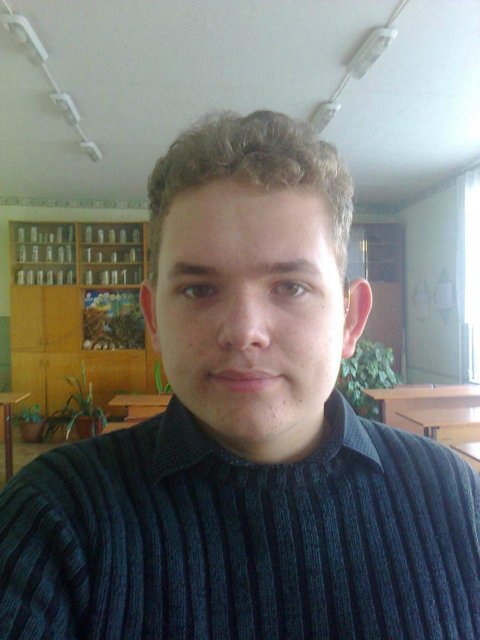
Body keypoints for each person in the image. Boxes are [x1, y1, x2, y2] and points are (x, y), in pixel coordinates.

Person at [0, 111, 479, 639]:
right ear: (153, 318)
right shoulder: (56, 516)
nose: (244, 331)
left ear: (351, 319)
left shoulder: (453, 496)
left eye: (291, 287)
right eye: (199, 289)